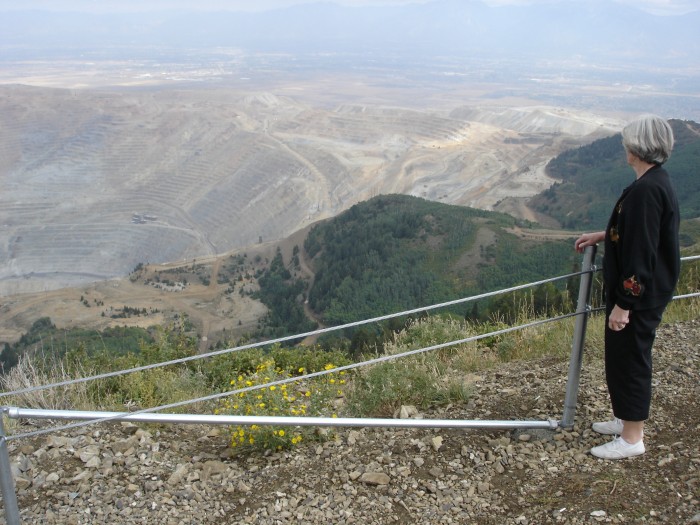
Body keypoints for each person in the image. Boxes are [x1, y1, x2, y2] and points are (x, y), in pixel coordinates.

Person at [574, 114, 680, 460]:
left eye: (627, 142)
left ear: (638, 148)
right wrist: (606, 236)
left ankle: (632, 438)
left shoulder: (646, 191)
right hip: (646, 294)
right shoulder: (655, 182)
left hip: (639, 297)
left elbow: (641, 255)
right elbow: (640, 234)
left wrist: (624, 305)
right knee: (622, 357)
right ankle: (625, 420)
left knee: (631, 360)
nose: (624, 146)